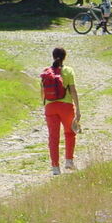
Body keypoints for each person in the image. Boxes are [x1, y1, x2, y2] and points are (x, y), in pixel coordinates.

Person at [42, 47, 81, 176]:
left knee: (53, 137)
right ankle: (69, 161)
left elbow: (42, 93)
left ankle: (55, 167)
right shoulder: (68, 71)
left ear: (53, 56)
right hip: (66, 106)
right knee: (70, 133)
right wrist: (78, 109)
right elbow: (73, 90)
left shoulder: (46, 72)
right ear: (65, 57)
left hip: (50, 107)